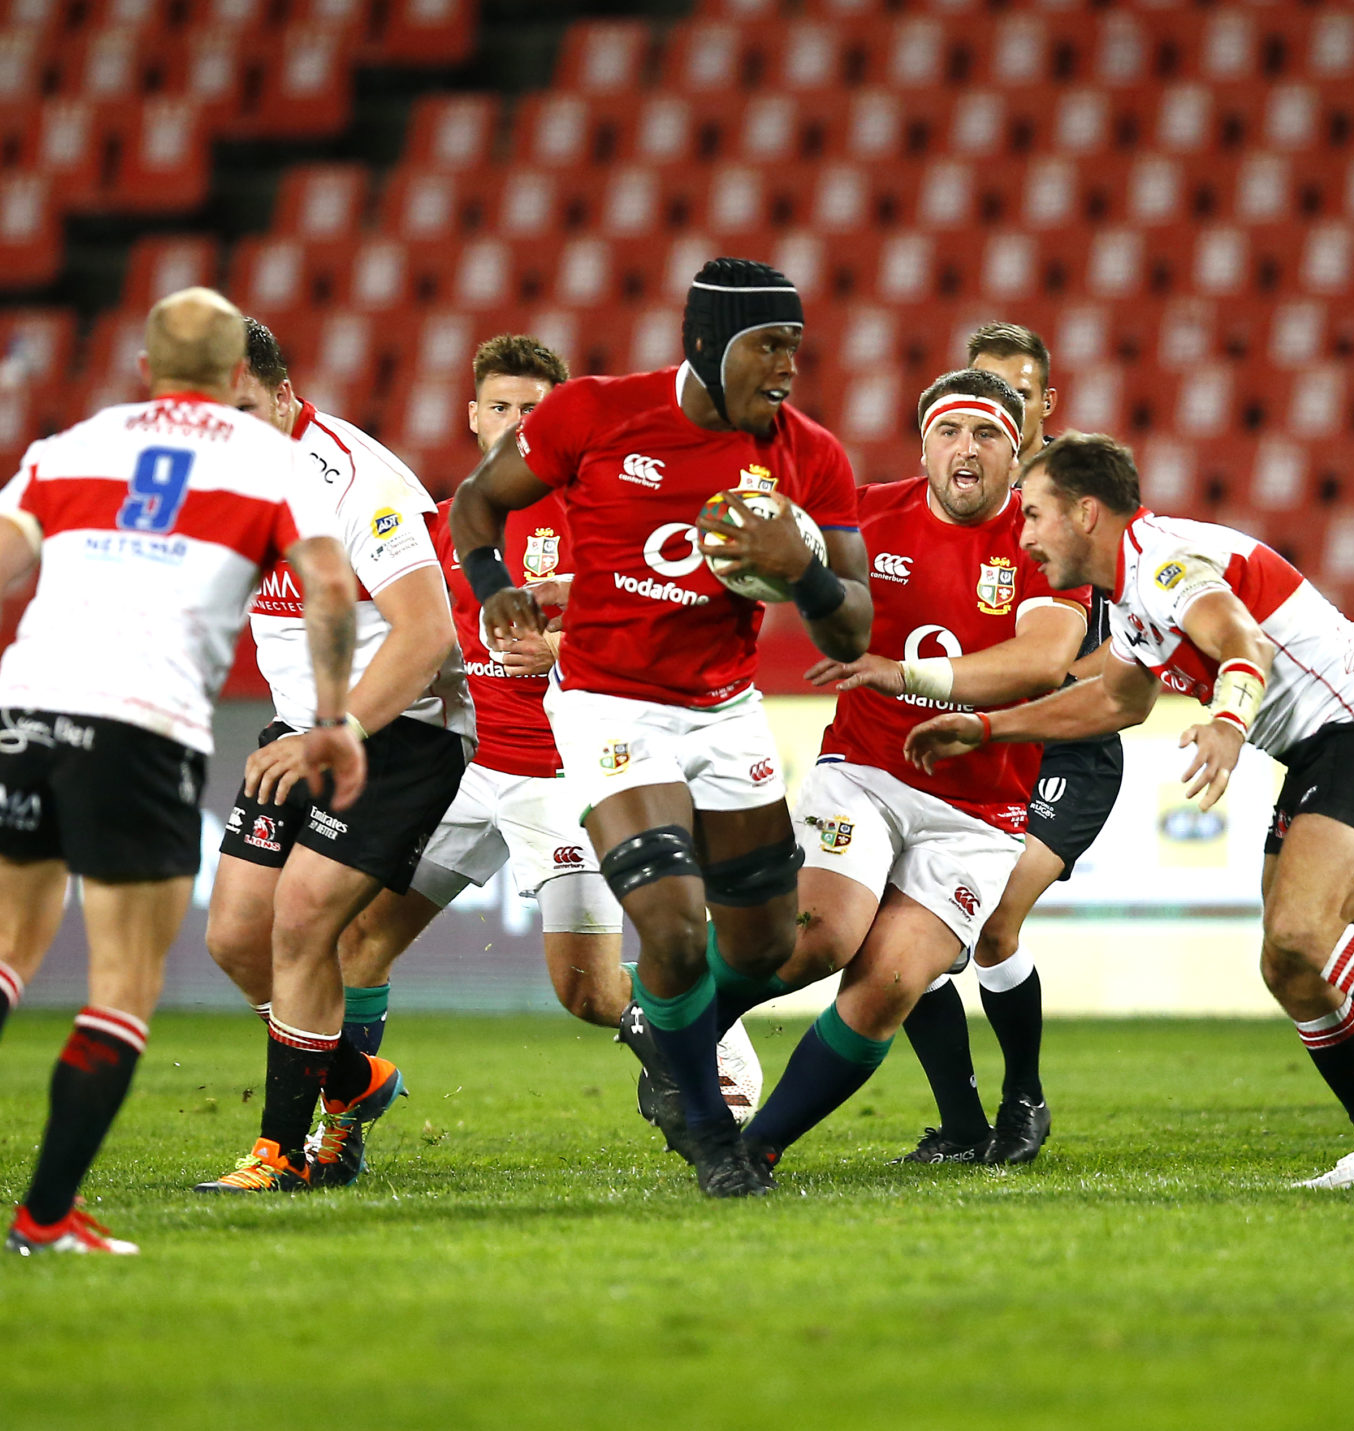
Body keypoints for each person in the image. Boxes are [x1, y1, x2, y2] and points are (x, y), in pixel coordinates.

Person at [907, 432, 1354, 1188]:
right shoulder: (1131, 594)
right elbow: (1117, 699)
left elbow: (1244, 643)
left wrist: (1227, 721)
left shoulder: (1166, 565)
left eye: (1035, 515)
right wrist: (986, 727)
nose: (1023, 536)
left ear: (1086, 512)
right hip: (1324, 750)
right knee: (1286, 963)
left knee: (1303, 931)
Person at [0, 289, 364, 1254]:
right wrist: (336, 718)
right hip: (143, 726)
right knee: (121, 983)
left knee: (4, 944)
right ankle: (44, 1215)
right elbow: (331, 584)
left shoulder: (73, 445)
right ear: (238, 377)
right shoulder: (272, 458)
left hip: (25, 709)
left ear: (145, 369)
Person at [449, 257, 873, 1196]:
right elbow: (475, 505)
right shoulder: (594, 415)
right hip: (607, 701)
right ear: (709, 343)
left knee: (763, 943)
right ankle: (713, 1136)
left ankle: (666, 1029)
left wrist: (798, 568)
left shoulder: (812, 454)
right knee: (673, 928)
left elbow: (854, 624)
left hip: (725, 712)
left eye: (796, 348)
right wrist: (494, 592)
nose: (787, 368)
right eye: (768, 345)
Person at [324, 334, 763, 1183]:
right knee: (358, 940)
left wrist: (561, 649)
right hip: (462, 769)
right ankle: (341, 1137)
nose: (515, 423)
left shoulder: (602, 512)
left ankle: (706, 1032)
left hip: (560, 775)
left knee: (589, 992)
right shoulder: (440, 523)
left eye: (534, 410)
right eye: (500, 407)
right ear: (472, 415)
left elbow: (666, 629)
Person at [714, 371, 1090, 1174]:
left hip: (983, 809)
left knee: (889, 983)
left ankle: (750, 1151)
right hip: (869, 771)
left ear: (1016, 452)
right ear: (923, 446)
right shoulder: (864, 516)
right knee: (823, 936)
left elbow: (1045, 657)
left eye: (987, 434)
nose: (967, 447)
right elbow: (758, 564)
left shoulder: (1042, 540)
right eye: (949, 430)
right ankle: (674, 1020)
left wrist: (907, 675)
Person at [193, 317, 470, 1195]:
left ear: (282, 394)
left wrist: (340, 729)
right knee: (237, 936)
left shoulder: (356, 479)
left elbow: (427, 633)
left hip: (399, 725)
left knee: (306, 918)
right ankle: (354, 1077)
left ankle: (279, 1152)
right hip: (300, 726)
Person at [890, 321, 1125, 1165]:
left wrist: (1048, 679)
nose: (1000, 406)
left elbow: (1138, 634)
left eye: (1016, 394)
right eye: (981, 391)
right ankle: (961, 1123)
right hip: (979, 740)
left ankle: (1022, 1097)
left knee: (990, 925)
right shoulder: (954, 496)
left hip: (1066, 742)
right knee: (900, 924)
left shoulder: (1081, 496)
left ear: (1043, 404)